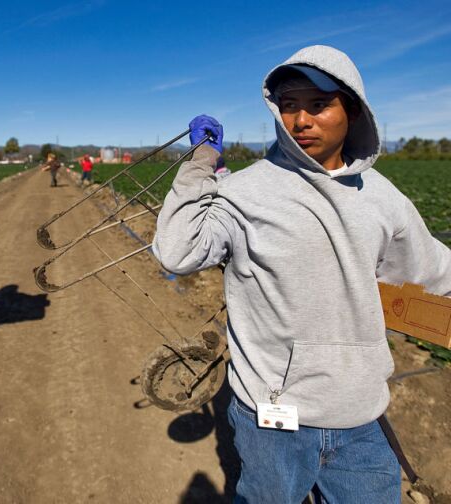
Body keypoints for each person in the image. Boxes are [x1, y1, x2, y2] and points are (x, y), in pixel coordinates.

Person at [152, 45, 451, 503]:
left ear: (351, 111)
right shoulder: (245, 192)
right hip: (273, 419)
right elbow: (177, 252)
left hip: (360, 415)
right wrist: (199, 164)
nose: (301, 120)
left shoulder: (384, 199)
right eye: (289, 106)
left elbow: (430, 270)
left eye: (318, 104)